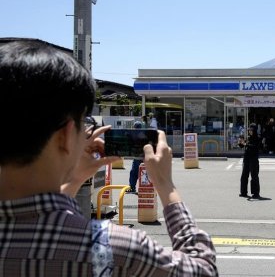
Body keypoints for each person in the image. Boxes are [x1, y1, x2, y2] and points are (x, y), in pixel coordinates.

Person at [0, 40, 217, 276]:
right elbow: (203, 270)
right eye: (85, 123)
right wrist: (165, 185)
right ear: (65, 136)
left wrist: (74, 180)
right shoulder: (116, 248)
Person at [238, 123, 261, 198]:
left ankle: (256, 193)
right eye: (249, 130)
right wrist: (240, 143)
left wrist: (245, 144)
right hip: (247, 158)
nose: (250, 131)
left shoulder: (257, 138)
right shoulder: (248, 137)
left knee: (254, 176)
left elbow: (254, 147)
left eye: (251, 130)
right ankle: (243, 192)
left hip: (253, 159)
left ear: (255, 130)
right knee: (244, 175)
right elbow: (243, 145)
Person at [127, 120, 144, 193]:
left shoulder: (140, 135)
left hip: (140, 158)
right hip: (139, 158)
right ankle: (133, 187)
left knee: (134, 173)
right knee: (136, 173)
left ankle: (133, 187)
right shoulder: (142, 135)